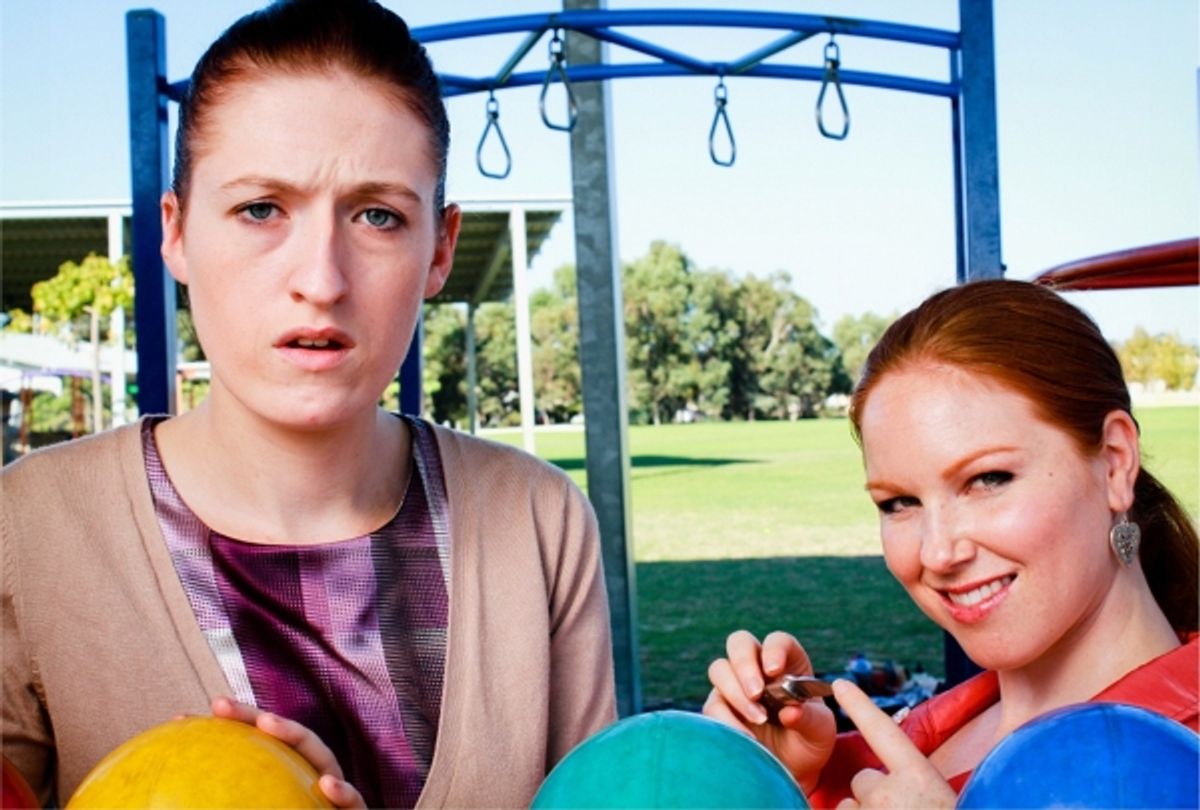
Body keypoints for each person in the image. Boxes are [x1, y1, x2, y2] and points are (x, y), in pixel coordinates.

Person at [0, 2, 616, 807]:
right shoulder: (30, 528)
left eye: (377, 216)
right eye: (261, 209)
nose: (321, 280)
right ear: (177, 231)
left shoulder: (540, 521)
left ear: (439, 248)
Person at [703, 279, 1198, 808]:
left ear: (1116, 463)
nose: (938, 553)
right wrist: (782, 786)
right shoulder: (870, 760)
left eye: (988, 479)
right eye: (898, 503)